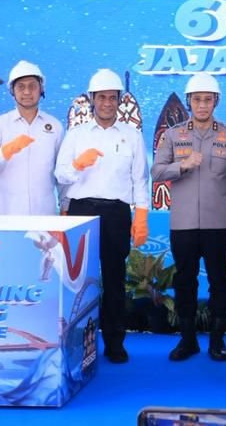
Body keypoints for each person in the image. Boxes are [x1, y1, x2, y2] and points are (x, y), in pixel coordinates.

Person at [55, 69, 149, 364]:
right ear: (92, 99)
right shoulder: (76, 134)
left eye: (113, 97)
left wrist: (141, 216)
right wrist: (77, 165)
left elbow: (140, 180)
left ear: (120, 100)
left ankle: (114, 342)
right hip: (82, 212)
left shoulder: (132, 135)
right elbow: (60, 175)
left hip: (117, 213)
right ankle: (77, 342)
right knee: (79, 281)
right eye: (102, 97)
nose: (108, 103)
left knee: (114, 279)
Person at [152, 72, 226, 363]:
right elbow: (156, 172)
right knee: (184, 281)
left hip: (218, 223)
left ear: (216, 101)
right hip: (183, 224)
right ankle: (188, 339)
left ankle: (217, 340)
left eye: (207, 99)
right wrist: (182, 165)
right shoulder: (173, 135)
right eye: (197, 100)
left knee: (220, 282)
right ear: (189, 102)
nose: (202, 105)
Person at [0, 60, 66, 215]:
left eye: (32, 86)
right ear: (12, 91)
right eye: (21, 87)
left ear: (41, 89)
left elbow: (61, 172)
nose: (27, 92)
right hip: (6, 214)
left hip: (44, 214)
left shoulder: (55, 126)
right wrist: (5, 152)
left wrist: (65, 205)